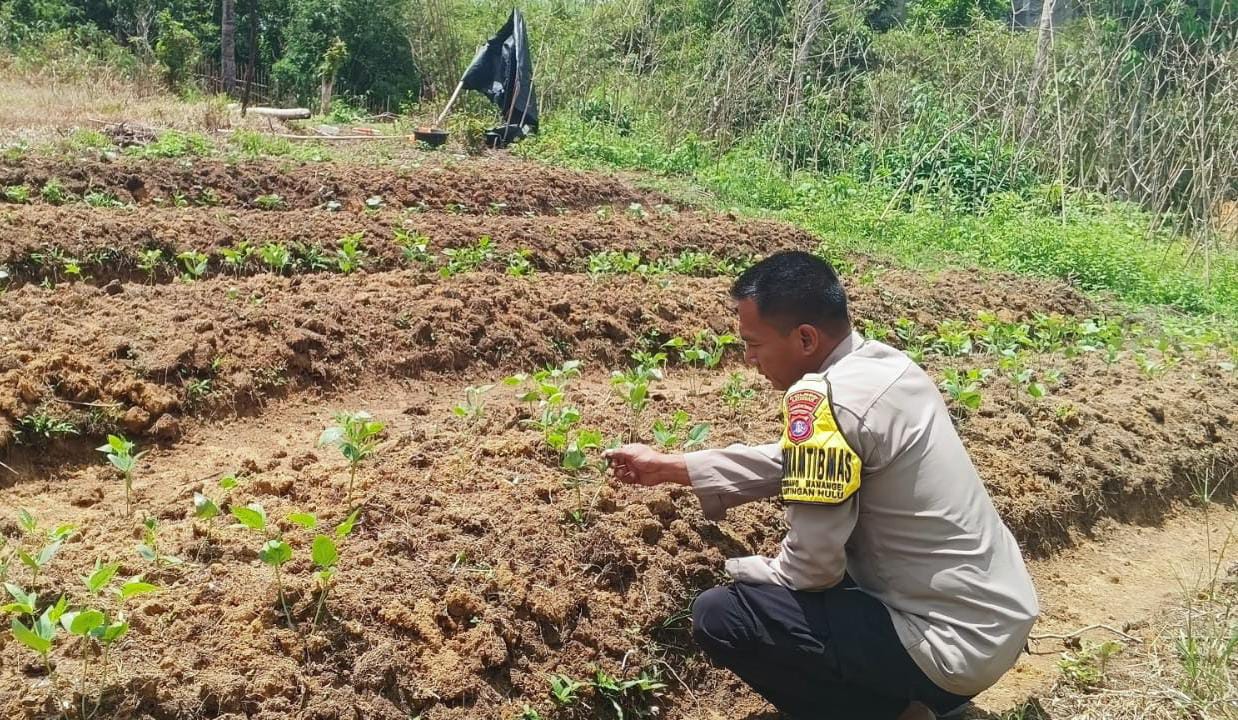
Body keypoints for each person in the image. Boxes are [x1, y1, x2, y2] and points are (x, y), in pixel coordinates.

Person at [604, 251, 1039, 720]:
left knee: (722, 615)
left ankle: (894, 714)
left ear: (806, 338)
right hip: (999, 622)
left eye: (753, 343)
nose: (748, 359)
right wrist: (670, 466)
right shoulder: (887, 368)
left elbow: (811, 568)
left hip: (949, 652)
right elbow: (796, 459)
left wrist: (737, 567)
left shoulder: (823, 400)